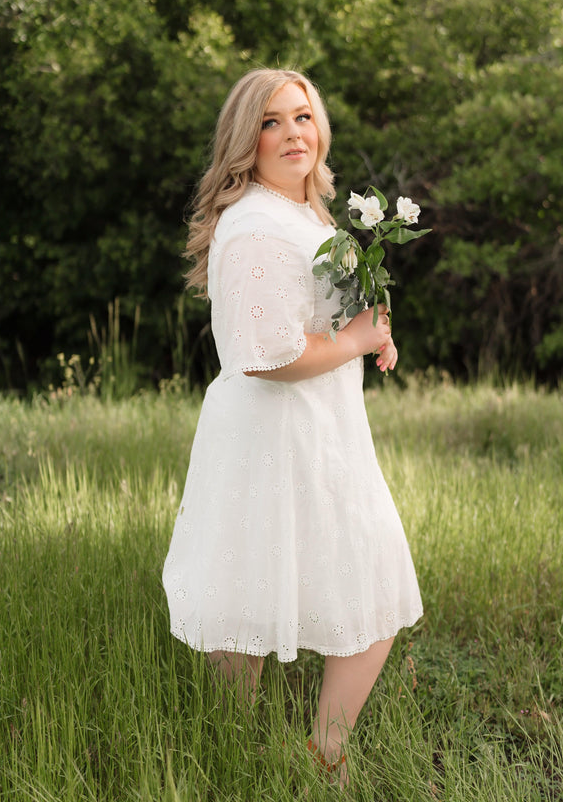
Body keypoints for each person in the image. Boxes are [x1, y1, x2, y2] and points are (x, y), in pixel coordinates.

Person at [162, 68, 422, 784]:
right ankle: (255, 759)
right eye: (271, 122)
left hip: (314, 429)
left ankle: (306, 756)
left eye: (301, 117)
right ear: (246, 139)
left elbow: (315, 317)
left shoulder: (300, 212)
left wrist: (371, 331)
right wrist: (354, 342)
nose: (291, 134)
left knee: (283, 582)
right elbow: (265, 354)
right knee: (271, 590)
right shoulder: (257, 226)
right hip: (277, 434)